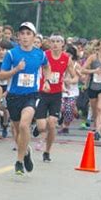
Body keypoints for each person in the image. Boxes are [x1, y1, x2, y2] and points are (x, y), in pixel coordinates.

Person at [0, 22, 51, 175]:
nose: (25, 37)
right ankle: (26, 151)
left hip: (31, 94)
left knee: (24, 125)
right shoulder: (11, 54)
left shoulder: (40, 54)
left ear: (34, 37)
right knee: (17, 133)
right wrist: (16, 69)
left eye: (29, 34)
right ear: (18, 37)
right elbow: (2, 75)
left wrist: (46, 80)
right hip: (14, 96)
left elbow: (47, 67)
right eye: (22, 34)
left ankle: (19, 161)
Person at [33, 34, 75, 162]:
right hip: (42, 93)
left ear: (63, 44)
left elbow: (75, 76)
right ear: (49, 43)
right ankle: (38, 126)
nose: (55, 44)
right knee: (41, 127)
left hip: (56, 94)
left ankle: (47, 151)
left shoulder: (66, 59)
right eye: (53, 41)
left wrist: (69, 80)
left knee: (52, 123)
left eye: (58, 41)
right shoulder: (43, 55)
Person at [81, 39, 101, 141]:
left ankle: (98, 131)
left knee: (100, 108)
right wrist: (94, 71)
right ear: (98, 46)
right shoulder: (93, 57)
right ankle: (96, 126)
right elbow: (82, 69)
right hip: (92, 86)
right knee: (95, 110)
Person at [59, 47, 81, 135]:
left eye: (70, 55)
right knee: (62, 108)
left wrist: (70, 81)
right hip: (61, 90)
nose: (68, 57)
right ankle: (62, 121)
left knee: (68, 109)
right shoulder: (61, 63)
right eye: (66, 54)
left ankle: (65, 126)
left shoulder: (76, 65)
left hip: (72, 91)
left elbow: (78, 78)